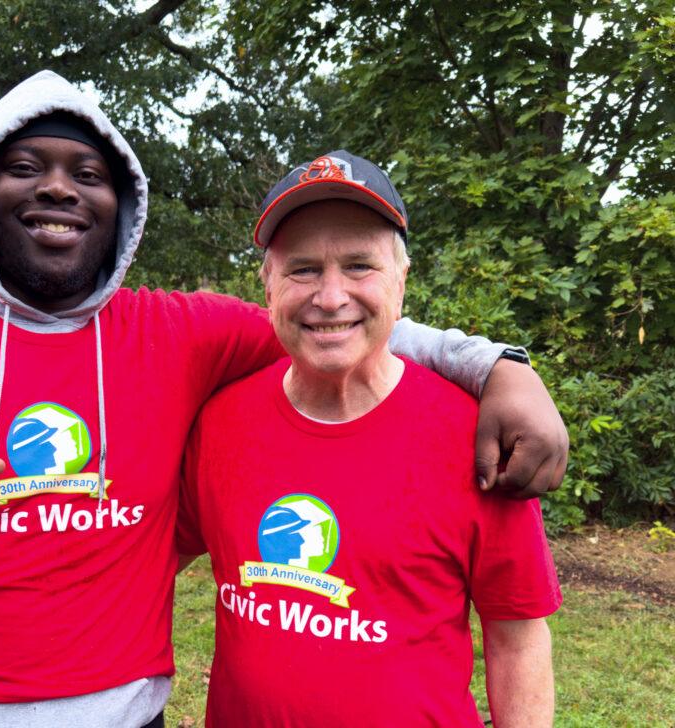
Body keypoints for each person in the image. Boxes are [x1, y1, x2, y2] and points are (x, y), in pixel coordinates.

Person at [0, 71, 566, 727]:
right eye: (27, 168)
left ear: (123, 206)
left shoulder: (182, 335)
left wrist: (500, 368)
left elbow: (336, 325)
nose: (61, 190)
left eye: (89, 174)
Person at [177, 150, 562, 727]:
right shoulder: (220, 422)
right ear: (267, 284)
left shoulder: (477, 438)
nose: (330, 298)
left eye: (359, 266)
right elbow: (150, 560)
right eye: (303, 269)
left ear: (402, 281)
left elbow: (519, 638)